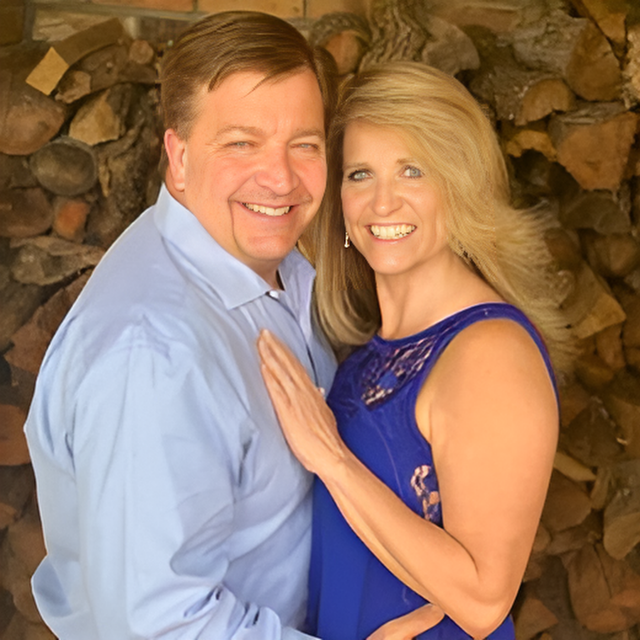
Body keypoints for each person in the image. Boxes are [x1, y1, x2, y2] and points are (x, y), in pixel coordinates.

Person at [24, 11, 338, 639]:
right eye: (242, 143)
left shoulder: (262, 259)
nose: (281, 178)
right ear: (180, 157)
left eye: (304, 143)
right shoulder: (155, 357)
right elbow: (160, 625)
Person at [258, 61, 571, 640]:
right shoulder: (367, 348)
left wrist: (332, 459)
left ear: (459, 185)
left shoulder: (490, 354)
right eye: (360, 174)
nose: (382, 203)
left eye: (412, 171)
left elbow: (482, 600)